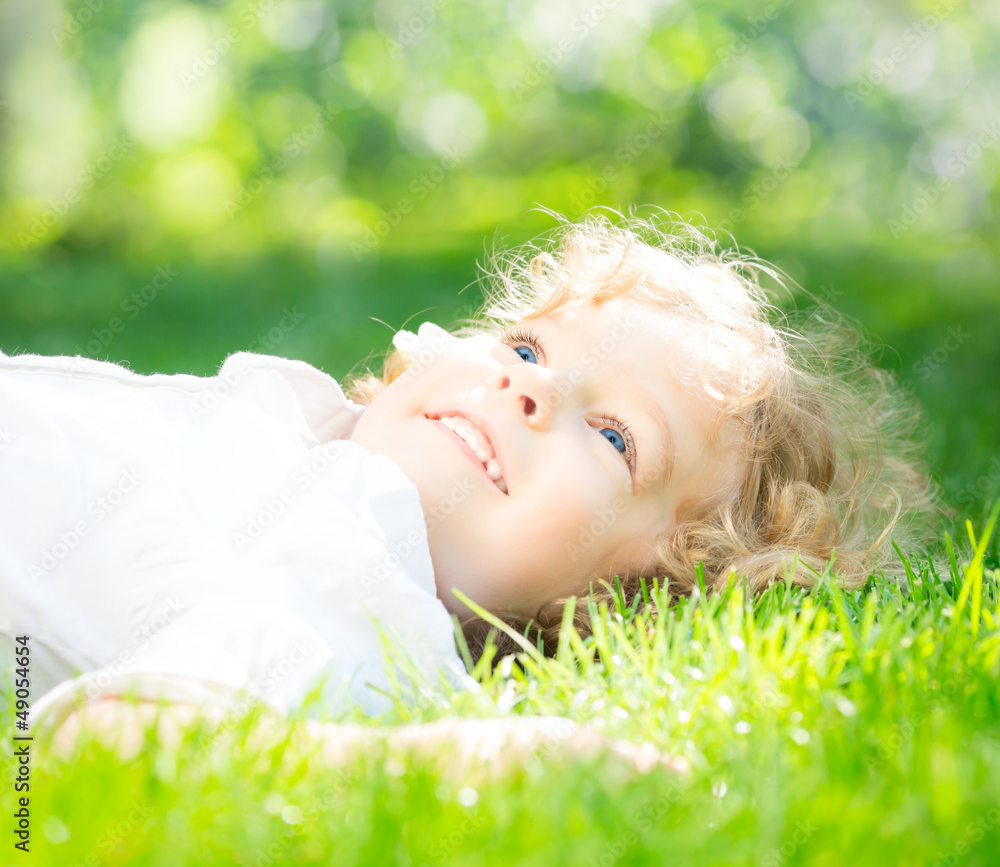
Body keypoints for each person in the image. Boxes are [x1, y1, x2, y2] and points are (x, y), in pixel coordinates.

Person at [0, 211, 936, 767]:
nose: (530, 386)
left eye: (614, 439)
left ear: (616, 606)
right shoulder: (307, 446)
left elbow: (111, 756)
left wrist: (434, 766)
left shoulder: (356, 585)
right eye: (527, 348)